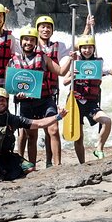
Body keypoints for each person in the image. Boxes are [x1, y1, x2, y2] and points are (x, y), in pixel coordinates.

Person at [8, 26, 73, 169]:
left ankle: (57, 165)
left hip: (45, 100)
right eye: (26, 40)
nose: (28, 43)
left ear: (36, 42)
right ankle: (32, 166)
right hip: (26, 103)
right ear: (21, 41)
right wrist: (16, 93)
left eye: (32, 40)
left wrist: (70, 59)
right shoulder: (14, 60)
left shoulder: (43, 57)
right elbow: (11, 85)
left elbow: (61, 71)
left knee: (53, 130)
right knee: (32, 136)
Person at [34, 14, 92, 167]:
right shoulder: (30, 44)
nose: (45, 29)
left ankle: (53, 163)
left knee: (52, 129)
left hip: (50, 92)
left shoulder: (57, 46)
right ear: (37, 29)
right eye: (42, 27)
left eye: (48, 27)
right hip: (32, 93)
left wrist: (86, 28)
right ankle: (31, 163)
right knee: (29, 133)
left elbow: (75, 47)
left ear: (52, 30)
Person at [0, 87, 68, 181]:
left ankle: (2, 172)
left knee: (30, 168)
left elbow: (39, 123)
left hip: (5, 155)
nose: (0, 103)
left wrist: (58, 117)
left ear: (7, 102)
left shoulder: (13, 119)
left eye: (3, 100)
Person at [64, 35, 112, 162]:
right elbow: (65, 82)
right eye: (84, 48)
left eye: (90, 47)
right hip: (75, 103)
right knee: (78, 137)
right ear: (80, 49)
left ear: (93, 49)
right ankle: (82, 163)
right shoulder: (75, 63)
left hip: (91, 103)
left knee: (107, 121)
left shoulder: (98, 64)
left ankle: (99, 148)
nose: (87, 50)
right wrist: (73, 76)